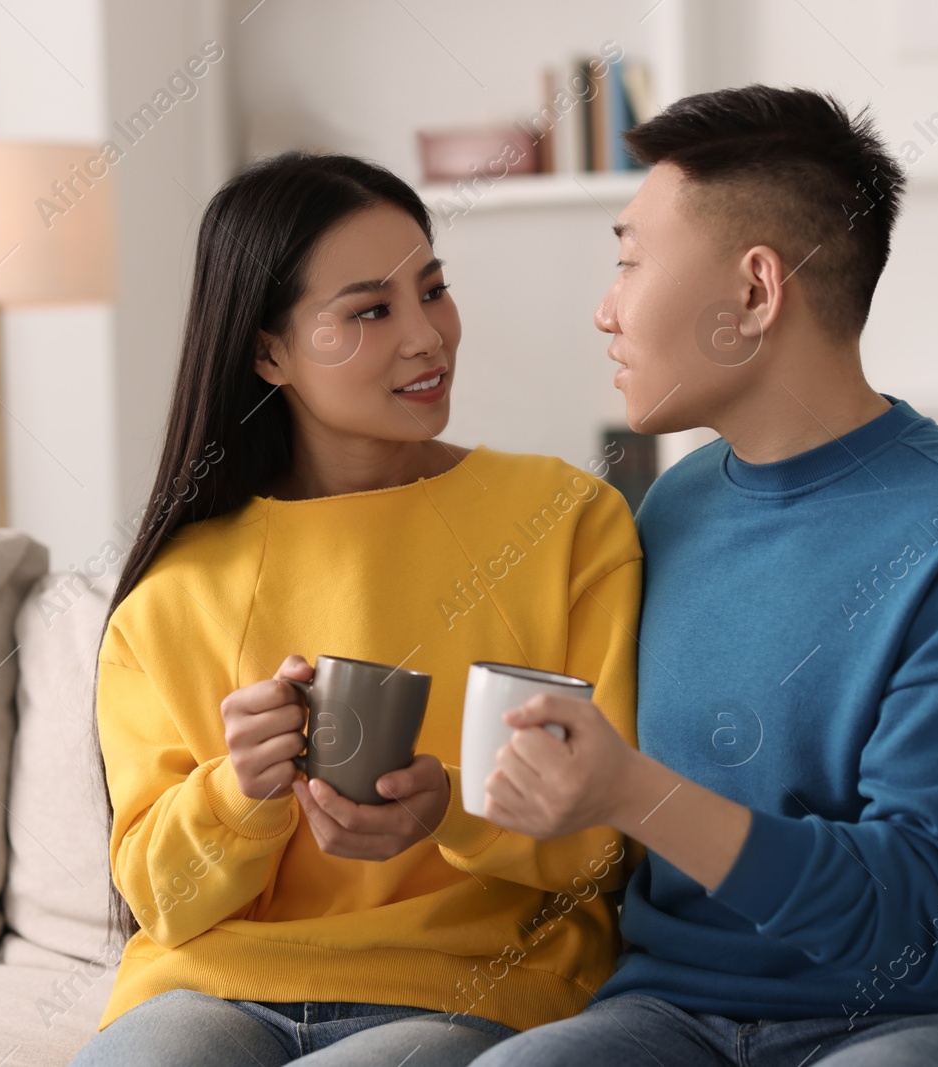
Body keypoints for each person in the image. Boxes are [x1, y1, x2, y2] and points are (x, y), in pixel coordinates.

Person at [470, 86, 938, 1067]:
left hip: (915, 1020)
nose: (604, 306)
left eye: (630, 259)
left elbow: (919, 928)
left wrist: (635, 791)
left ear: (756, 292)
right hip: (668, 1011)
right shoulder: (669, 509)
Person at [68, 151, 641, 1067]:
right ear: (269, 352)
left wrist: (451, 808)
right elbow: (160, 898)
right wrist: (238, 791)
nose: (427, 336)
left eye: (434, 290)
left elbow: (609, 841)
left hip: (470, 988)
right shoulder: (171, 592)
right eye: (371, 310)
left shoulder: (566, 521)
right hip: (213, 984)